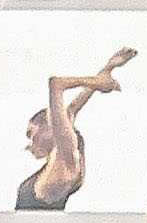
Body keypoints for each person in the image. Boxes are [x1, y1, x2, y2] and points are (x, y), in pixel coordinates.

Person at [15, 49, 137, 212]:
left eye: (31, 133)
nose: (30, 142)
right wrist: (108, 68)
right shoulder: (60, 157)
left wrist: (97, 82)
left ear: (50, 127)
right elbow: (72, 110)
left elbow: (56, 84)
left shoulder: (65, 158)